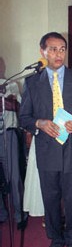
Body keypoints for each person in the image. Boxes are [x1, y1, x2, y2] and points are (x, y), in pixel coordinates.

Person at [19, 32, 72, 247]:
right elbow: (24, 117)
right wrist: (39, 123)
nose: (58, 54)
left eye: (62, 49)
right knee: (51, 199)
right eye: (52, 49)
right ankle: (55, 241)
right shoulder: (32, 83)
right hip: (46, 150)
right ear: (42, 52)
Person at [0, 78, 28, 230]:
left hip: (7, 134)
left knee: (14, 177)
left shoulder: (10, 84)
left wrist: (5, 101)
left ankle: (20, 215)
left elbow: (17, 106)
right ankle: (2, 214)